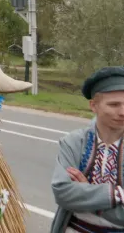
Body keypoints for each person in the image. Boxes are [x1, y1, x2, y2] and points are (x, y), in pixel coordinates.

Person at [51, 66, 124, 231]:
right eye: (114, 105)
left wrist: (87, 194)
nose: (122, 112)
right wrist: (117, 194)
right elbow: (63, 192)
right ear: (94, 106)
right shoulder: (73, 142)